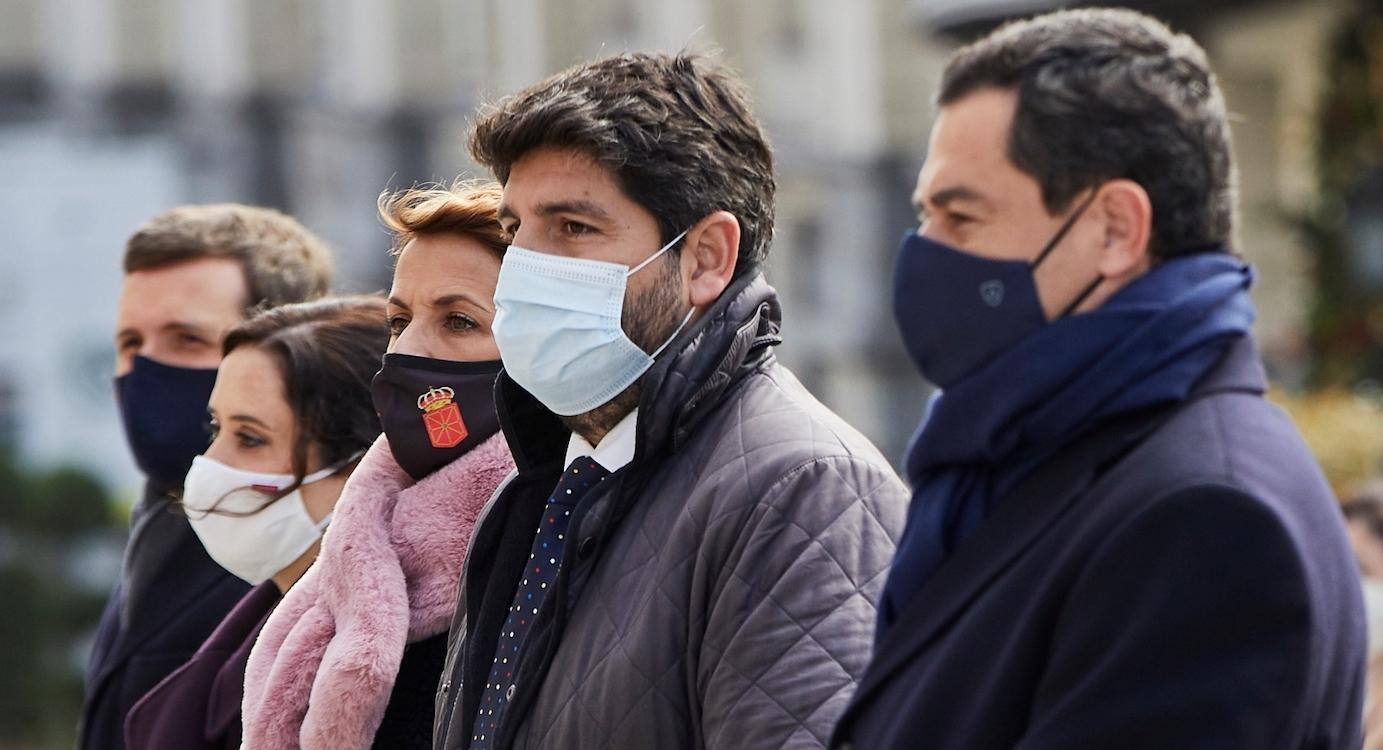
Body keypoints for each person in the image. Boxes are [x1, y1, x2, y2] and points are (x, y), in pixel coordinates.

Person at [831, 9, 1367, 749]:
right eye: (926, 215)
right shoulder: (1022, 457)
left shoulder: (1205, 519)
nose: (924, 253)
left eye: (961, 217)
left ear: (1114, 229)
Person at [433, 52, 909, 750]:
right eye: (514, 230)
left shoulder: (802, 488)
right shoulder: (541, 483)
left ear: (706, 257)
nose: (523, 270)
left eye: (573, 228)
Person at [239, 183, 516, 749]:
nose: (408, 349)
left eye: (459, 322)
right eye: (398, 321)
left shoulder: (549, 545)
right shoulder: (366, 531)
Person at [83, 204, 333, 750]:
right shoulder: (156, 523)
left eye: (186, 340)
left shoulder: (289, 548)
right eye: (130, 343)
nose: (145, 369)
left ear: (286, 343)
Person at [124, 295, 388, 748]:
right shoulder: (242, 646)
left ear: (359, 467)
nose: (209, 462)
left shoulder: (389, 672)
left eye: (249, 437)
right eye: (215, 428)